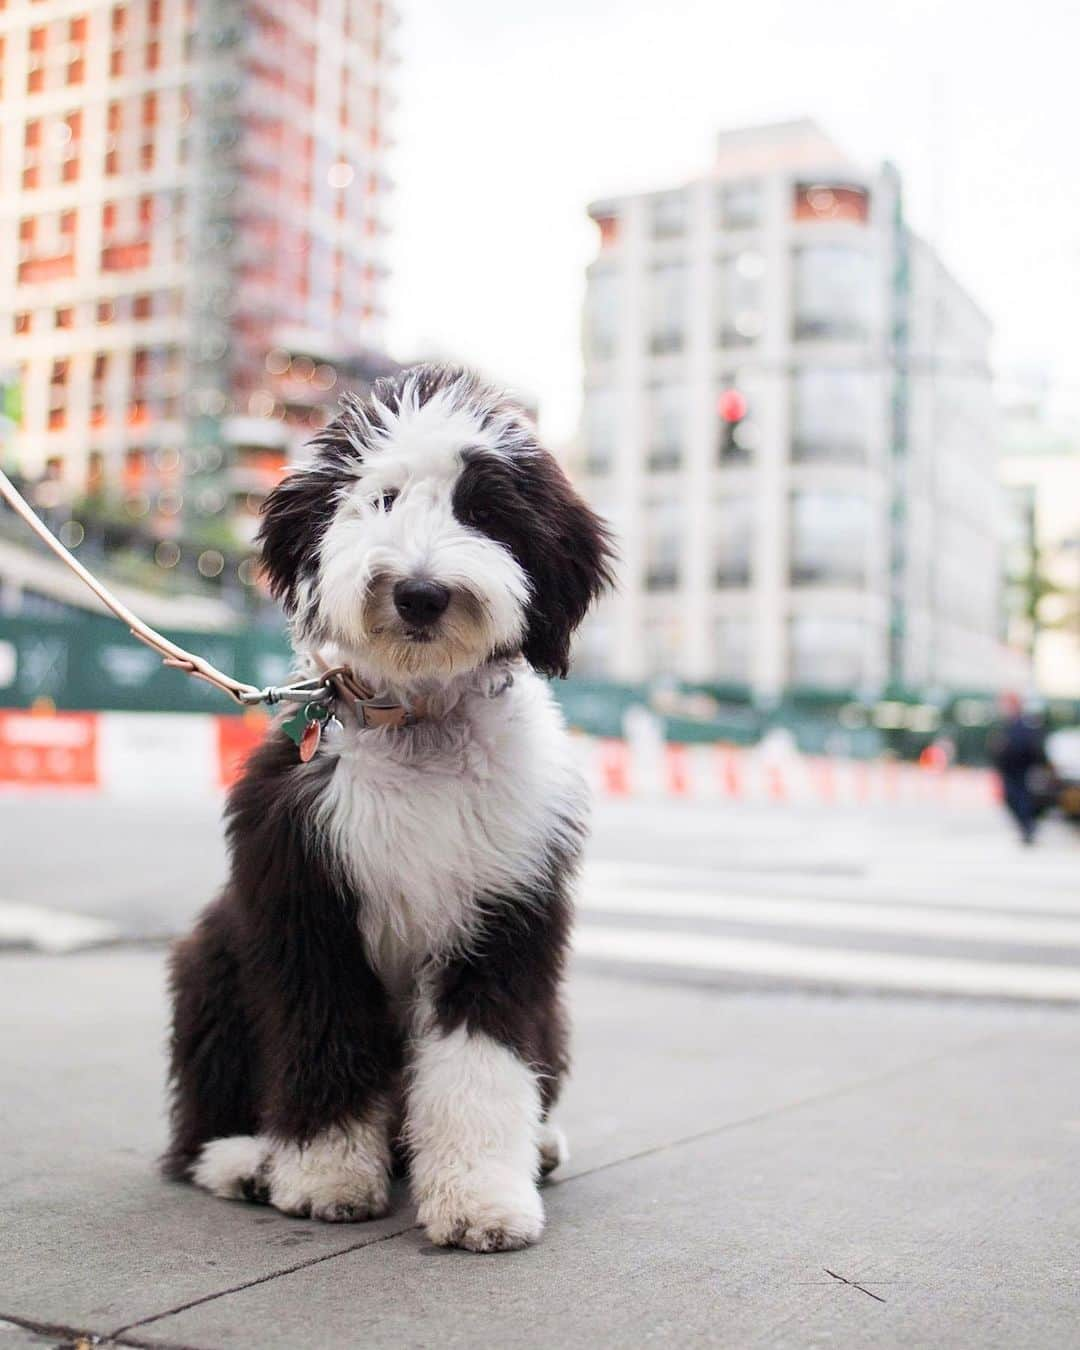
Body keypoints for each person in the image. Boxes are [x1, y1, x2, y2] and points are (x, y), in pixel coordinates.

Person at [988, 693, 1049, 845]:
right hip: (1010, 769)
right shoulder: (1008, 724)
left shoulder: (1024, 723)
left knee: (1020, 798)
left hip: (1020, 768)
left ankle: (1028, 827)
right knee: (1012, 798)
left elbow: (1031, 746)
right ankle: (1027, 827)